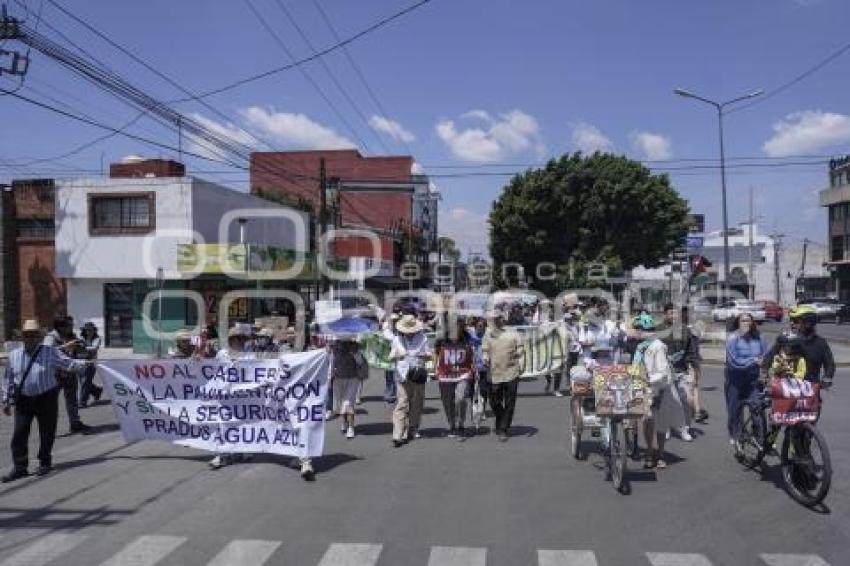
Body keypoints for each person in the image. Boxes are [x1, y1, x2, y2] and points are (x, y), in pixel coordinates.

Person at [2, 320, 92, 482]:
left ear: (39, 337)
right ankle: (20, 467)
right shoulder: (14, 355)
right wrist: (5, 400)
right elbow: (9, 378)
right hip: (23, 399)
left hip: (46, 397)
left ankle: (44, 461)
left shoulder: (49, 352)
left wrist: (87, 363)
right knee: (19, 434)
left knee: (47, 431)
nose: (30, 338)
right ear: (23, 337)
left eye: (33, 335)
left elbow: (69, 364)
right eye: (27, 335)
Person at [631, 313, 681, 470]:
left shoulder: (656, 346)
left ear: (641, 330)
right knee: (647, 421)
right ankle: (650, 452)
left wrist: (647, 379)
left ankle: (658, 454)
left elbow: (662, 371)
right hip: (645, 388)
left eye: (636, 330)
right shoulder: (642, 346)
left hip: (659, 389)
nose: (635, 333)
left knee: (659, 424)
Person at [209, 327, 255, 470]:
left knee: (243, 423)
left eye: (241, 339)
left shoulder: (250, 355)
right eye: (236, 338)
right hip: (225, 396)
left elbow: (256, 371)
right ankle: (223, 454)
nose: (239, 341)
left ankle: (243, 450)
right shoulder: (221, 354)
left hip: (243, 396)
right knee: (223, 424)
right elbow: (211, 369)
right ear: (231, 340)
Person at [725, 312, 767, 451]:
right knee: (735, 410)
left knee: (757, 408)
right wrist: (754, 361)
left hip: (754, 380)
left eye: (749, 320)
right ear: (738, 323)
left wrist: (765, 370)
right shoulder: (732, 338)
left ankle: (759, 437)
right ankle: (736, 435)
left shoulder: (759, 338)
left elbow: (765, 357)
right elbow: (733, 362)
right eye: (743, 321)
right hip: (735, 380)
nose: (746, 323)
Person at [389, 314, 432, 447]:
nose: (409, 334)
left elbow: (429, 355)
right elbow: (390, 356)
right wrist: (397, 355)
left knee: (417, 404)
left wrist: (424, 356)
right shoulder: (396, 340)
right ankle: (397, 434)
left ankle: (412, 428)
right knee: (402, 403)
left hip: (417, 374)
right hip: (402, 375)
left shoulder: (422, 338)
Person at [765, 305, 835, 387]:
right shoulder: (785, 340)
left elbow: (829, 364)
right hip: (785, 389)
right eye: (791, 320)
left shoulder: (820, 343)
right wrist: (764, 372)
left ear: (808, 323)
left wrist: (827, 378)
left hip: (810, 388)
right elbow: (770, 356)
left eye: (795, 321)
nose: (792, 323)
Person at [44, 316, 91, 435]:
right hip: (55, 375)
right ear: (60, 327)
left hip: (69, 373)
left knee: (72, 400)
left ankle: (75, 423)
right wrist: (66, 346)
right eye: (69, 326)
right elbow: (46, 353)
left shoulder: (71, 336)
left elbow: (79, 353)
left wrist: (81, 348)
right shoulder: (51, 337)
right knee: (51, 403)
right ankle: (48, 427)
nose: (71, 328)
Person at [482, 307, 522, 441]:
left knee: (510, 401)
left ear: (501, 319)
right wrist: (485, 357)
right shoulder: (488, 334)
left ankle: (503, 428)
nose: (495, 321)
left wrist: (520, 357)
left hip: (511, 371)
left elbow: (521, 348)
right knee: (494, 400)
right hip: (494, 372)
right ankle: (500, 417)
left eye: (497, 319)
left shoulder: (512, 332)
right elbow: (485, 350)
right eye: (493, 320)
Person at [658, 304, 696, 442]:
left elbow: (691, 351)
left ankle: (685, 428)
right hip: (663, 372)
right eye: (670, 313)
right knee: (666, 401)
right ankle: (666, 427)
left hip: (681, 370)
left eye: (676, 314)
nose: (673, 316)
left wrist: (692, 368)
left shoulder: (685, 330)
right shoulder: (658, 330)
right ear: (665, 315)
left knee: (686, 400)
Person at [435, 318, 475, 440]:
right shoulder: (442, 340)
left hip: (462, 374)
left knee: (460, 398)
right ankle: (452, 424)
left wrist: (473, 368)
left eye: (457, 327)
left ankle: (461, 424)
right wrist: (434, 368)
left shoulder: (467, 339)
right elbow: (436, 353)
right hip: (445, 375)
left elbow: (471, 354)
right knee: (448, 401)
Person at [330, 339, 368, 439]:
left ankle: (351, 427)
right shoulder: (334, 348)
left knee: (348, 403)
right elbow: (331, 364)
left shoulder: (355, 347)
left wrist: (355, 352)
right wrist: (330, 375)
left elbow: (360, 362)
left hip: (352, 379)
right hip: (338, 380)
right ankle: (344, 422)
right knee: (341, 403)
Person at [78, 322, 103, 408]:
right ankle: (96, 390)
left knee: (85, 382)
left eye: (90, 330)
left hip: (90, 362)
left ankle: (82, 402)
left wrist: (82, 347)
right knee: (84, 382)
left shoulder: (97, 338)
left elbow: (94, 348)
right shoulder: (81, 337)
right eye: (87, 330)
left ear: (94, 330)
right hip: (80, 362)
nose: (88, 331)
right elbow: (76, 346)